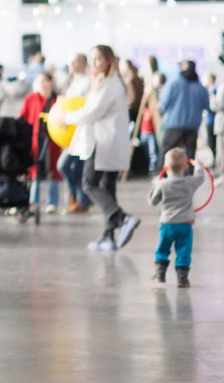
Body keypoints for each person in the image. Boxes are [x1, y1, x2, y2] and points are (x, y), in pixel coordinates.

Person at [60, 45, 139, 251]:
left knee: (89, 184)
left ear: (109, 61)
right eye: (92, 59)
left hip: (103, 144)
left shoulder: (109, 85)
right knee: (106, 188)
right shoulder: (107, 83)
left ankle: (122, 218)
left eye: (98, 59)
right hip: (109, 143)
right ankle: (108, 236)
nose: (94, 64)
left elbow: (91, 113)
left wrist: (66, 118)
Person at [148, 148, 205, 288]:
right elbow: (200, 177)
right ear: (186, 167)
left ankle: (160, 275)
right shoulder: (189, 182)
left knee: (162, 249)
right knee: (184, 251)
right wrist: (198, 166)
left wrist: (155, 185)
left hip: (167, 224)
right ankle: (182, 279)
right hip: (185, 225)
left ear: (165, 168)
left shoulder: (162, 184)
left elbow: (152, 202)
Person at [20, 72, 62, 213]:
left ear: (50, 82)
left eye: (44, 81)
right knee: (35, 170)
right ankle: (33, 201)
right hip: (35, 139)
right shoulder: (31, 99)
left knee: (53, 170)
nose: (42, 84)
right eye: (39, 81)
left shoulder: (57, 100)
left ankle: (52, 202)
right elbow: (23, 118)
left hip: (53, 140)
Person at [59, 53, 94, 214]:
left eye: (74, 62)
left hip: (80, 131)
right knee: (71, 167)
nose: (71, 65)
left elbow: (84, 106)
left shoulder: (86, 82)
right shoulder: (73, 82)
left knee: (66, 165)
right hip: (71, 132)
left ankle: (80, 199)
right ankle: (80, 198)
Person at [159, 60, 210, 164]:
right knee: (190, 154)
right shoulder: (200, 86)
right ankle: (188, 174)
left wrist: (162, 111)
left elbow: (164, 101)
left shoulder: (174, 82)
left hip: (174, 123)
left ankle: (162, 174)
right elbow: (206, 104)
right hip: (192, 124)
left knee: (167, 150)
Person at [138, 73, 168, 174]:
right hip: (147, 127)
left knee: (154, 150)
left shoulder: (162, 93)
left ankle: (155, 167)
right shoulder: (150, 94)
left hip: (157, 125)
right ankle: (153, 166)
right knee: (149, 149)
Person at [205, 73, 218, 164]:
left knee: (213, 141)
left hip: (213, 120)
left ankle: (216, 159)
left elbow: (214, 106)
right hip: (209, 119)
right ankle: (215, 158)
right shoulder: (209, 90)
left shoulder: (214, 90)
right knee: (211, 141)